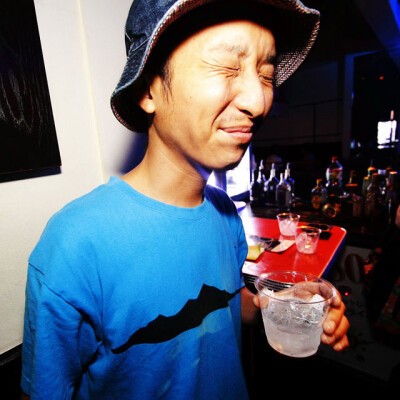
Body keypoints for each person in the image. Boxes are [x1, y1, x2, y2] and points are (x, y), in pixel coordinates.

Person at [20, 1, 350, 398]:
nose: (259, 101)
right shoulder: (76, 244)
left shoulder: (224, 213)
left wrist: (283, 303)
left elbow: (225, 307)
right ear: (148, 91)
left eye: (265, 74)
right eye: (227, 66)